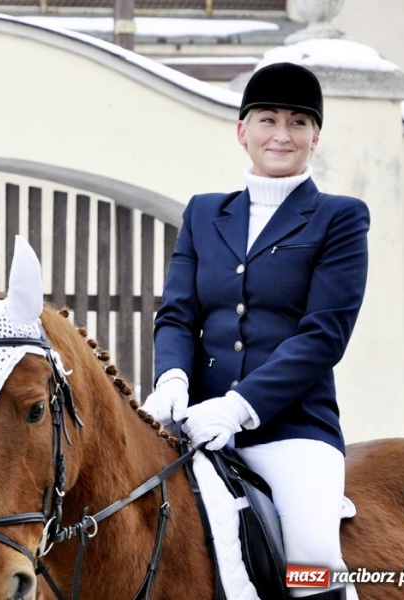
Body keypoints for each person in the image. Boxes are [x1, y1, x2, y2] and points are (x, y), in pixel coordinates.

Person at [143, 62, 369, 600]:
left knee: (314, 562)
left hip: (292, 428)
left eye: (297, 122)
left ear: (315, 136)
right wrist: (172, 380)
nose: (282, 134)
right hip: (193, 422)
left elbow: (323, 336)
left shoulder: (339, 218)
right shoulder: (203, 214)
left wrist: (239, 406)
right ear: (243, 131)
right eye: (268, 119)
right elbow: (177, 314)